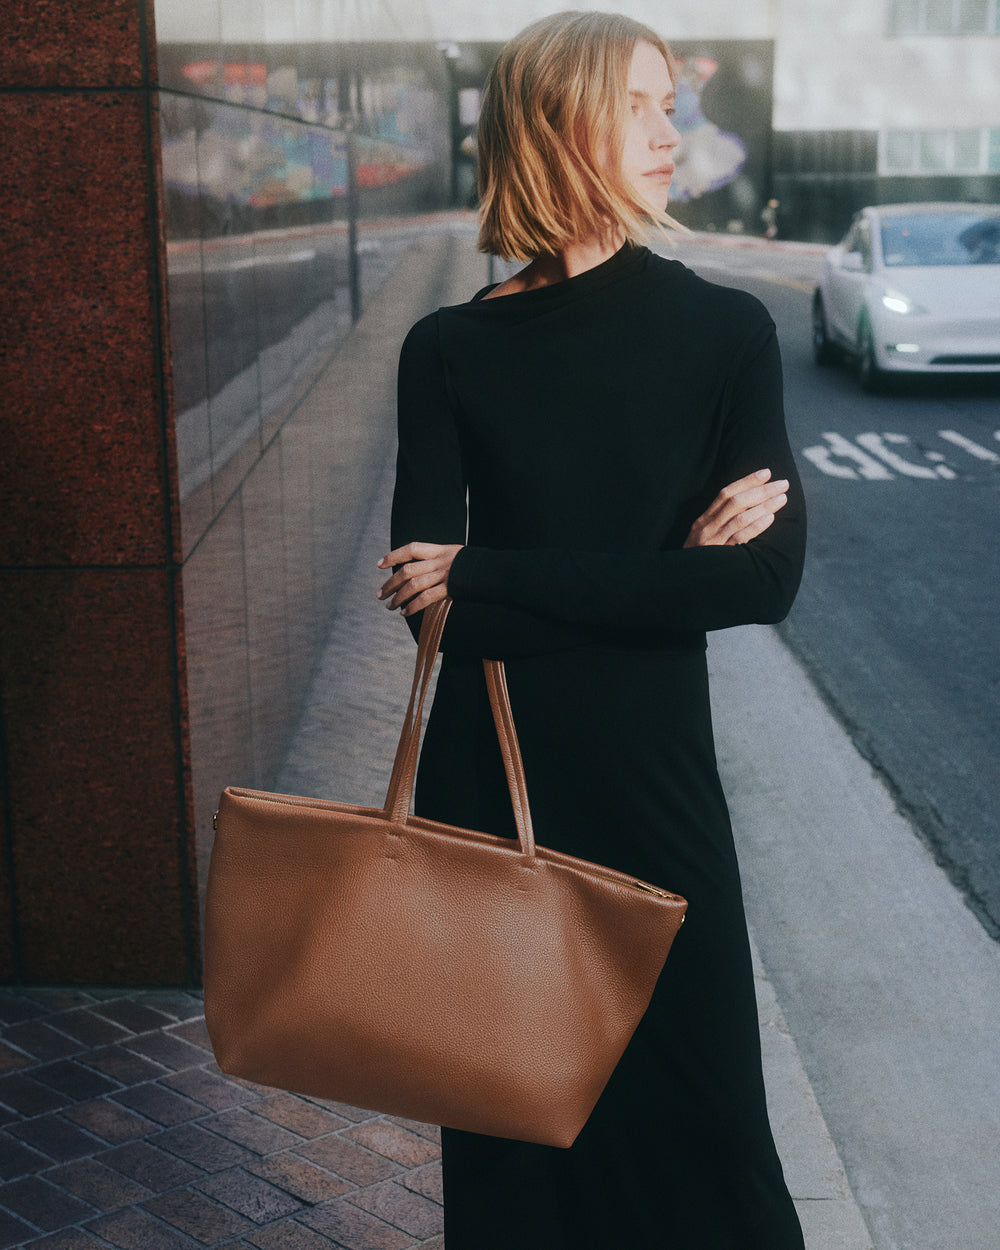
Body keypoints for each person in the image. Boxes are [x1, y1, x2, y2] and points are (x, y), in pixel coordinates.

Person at [377, 11, 806, 1248]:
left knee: (713, 1131)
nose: (670, 132)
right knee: (517, 1137)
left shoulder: (726, 334)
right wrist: (657, 571)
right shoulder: (448, 347)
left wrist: (497, 569)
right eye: (637, 103)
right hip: (491, 777)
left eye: (673, 103)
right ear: (554, 119)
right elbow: (431, 604)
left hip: (654, 783)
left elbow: (761, 583)